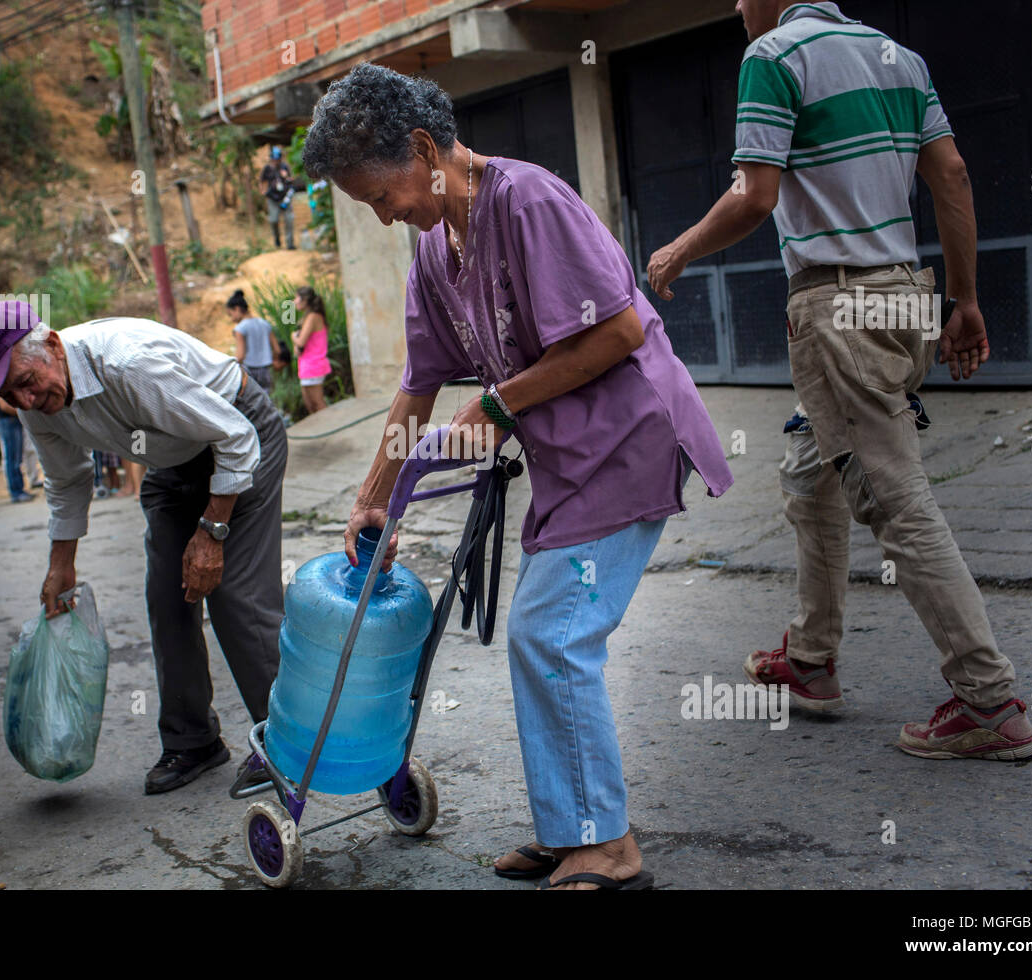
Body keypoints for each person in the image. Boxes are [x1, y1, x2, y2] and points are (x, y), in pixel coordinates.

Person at [303, 63, 734, 889]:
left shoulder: (529, 200)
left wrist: (496, 407)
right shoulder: (436, 249)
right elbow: (418, 385)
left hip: (628, 437)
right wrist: (372, 501)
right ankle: (574, 825)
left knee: (552, 632)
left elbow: (617, 330)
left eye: (380, 196)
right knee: (546, 635)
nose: (386, 215)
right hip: (567, 458)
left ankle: (605, 845)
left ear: (425, 150)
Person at [647, 0, 1032, 760]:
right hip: (903, 295)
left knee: (895, 497)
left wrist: (679, 251)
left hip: (838, 307)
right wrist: (965, 300)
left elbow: (754, 194)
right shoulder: (898, 56)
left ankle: (988, 698)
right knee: (809, 468)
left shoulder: (772, 55)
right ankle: (809, 657)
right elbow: (952, 176)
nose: (735, 6)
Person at [0, 300, 288, 795]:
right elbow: (68, 479)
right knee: (167, 596)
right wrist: (61, 566)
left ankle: (291, 742)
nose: (25, 401)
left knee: (234, 595)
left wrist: (211, 534)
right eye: (10, 395)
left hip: (240, 436)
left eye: (26, 382)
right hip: (174, 459)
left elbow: (235, 437)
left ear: (52, 346)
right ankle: (193, 740)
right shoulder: (36, 398)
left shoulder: (126, 364)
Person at [225, 289, 283, 394]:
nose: (231, 319)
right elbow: (277, 350)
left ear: (237, 309)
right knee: (266, 399)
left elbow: (240, 356)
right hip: (266, 370)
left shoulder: (240, 328)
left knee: (253, 402)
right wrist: (274, 361)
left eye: (231, 314)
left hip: (250, 372)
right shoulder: (265, 323)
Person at [292, 286, 330, 415]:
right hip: (307, 366)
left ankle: (330, 428)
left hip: (314, 365)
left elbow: (301, 341)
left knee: (317, 403)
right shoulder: (307, 317)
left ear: (305, 300)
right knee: (310, 403)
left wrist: (293, 337)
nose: (294, 301)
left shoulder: (313, 317)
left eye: (296, 297)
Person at [0, 396, 34, 503]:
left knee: (16, 459)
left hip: (12, 422)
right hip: (9, 422)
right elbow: (4, 407)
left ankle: (19, 490)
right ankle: (16, 492)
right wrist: (23, 412)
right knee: (13, 460)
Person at [260, 146, 296, 250]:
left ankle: (290, 244)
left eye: (278, 159)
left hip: (285, 198)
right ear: (271, 159)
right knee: (274, 220)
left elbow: (291, 180)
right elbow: (262, 180)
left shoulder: (284, 167)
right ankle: (277, 240)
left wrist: (285, 176)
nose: (276, 161)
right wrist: (263, 190)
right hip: (272, 199)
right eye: (274, 159)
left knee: (289, 219)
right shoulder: (267, 168)